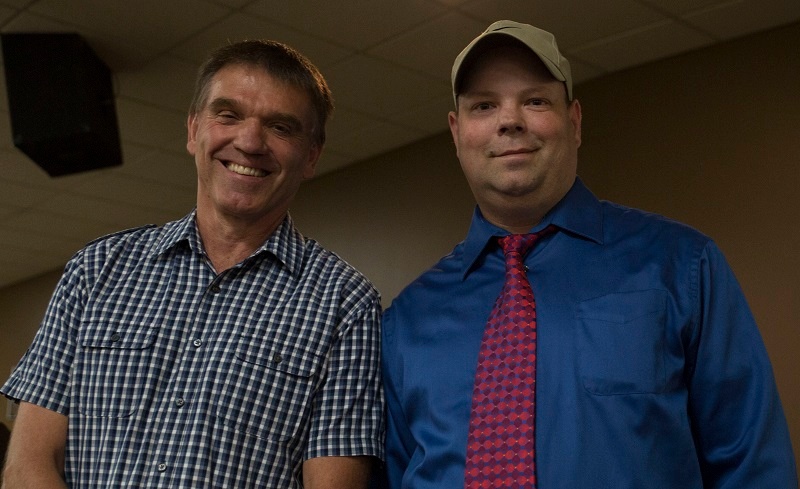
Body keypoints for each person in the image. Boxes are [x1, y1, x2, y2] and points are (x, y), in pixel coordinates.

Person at [381, 20, 797, 488]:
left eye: (535, 100)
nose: (509, 119)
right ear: (457, 134)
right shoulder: (406, 321)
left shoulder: (682, 266)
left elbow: (752, 466)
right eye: (484, 105)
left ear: (574, 122)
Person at [1, 39, 383, 488]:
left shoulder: (345, 304)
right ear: (192, 129)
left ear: (311, 156)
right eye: (228, 114)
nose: (249, 141)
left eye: (281, 127)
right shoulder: (96, 269)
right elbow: (28, 465)